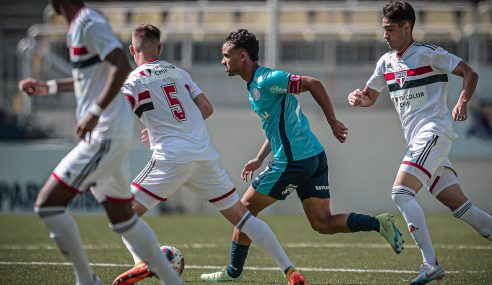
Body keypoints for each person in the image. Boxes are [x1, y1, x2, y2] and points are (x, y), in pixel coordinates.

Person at [200, 28, 405, 283]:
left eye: (226, 55)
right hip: (313, 157)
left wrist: (332, 121)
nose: (223, 61)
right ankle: (377, 224)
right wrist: (260, 157)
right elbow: (276, 126)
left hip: (293, 161)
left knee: (243, 211)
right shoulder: (253, 85)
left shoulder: (266, 79)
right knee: (322, 223)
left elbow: (313, 83)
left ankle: (233, 272)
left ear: (242, 56)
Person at [111, 24, 306, 285]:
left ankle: (142, 263)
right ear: (159, 48)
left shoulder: (134, 79)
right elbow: (205, 107)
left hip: (170, 157)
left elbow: (121, 112)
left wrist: (155, 128)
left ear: (132, 50)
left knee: (122, 215)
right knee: (243, 217)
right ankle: (290, 270)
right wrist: (177, 125)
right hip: (203, 155)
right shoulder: (179, 73)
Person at [18, 1, 183, 285]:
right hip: (109, 134)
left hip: (105, 133)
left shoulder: (88, 21)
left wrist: (95, 112)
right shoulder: (78, 25)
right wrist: (51, 87)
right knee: (123, 219)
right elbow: (93, 76)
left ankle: (86, 280)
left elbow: (120, 64)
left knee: (48, 205)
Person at [347, 1, 492, 284]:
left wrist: (462, 101)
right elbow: (370, 94)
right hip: (420, 141)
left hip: (434, 133)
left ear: (406, 27)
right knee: (460, 206)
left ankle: (430, 265)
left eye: (389, 29)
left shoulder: (429, 54)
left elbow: (469, 73)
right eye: (383, 29)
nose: (385, 35)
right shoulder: (385, 62)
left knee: (401, 193)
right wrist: (359, 99)